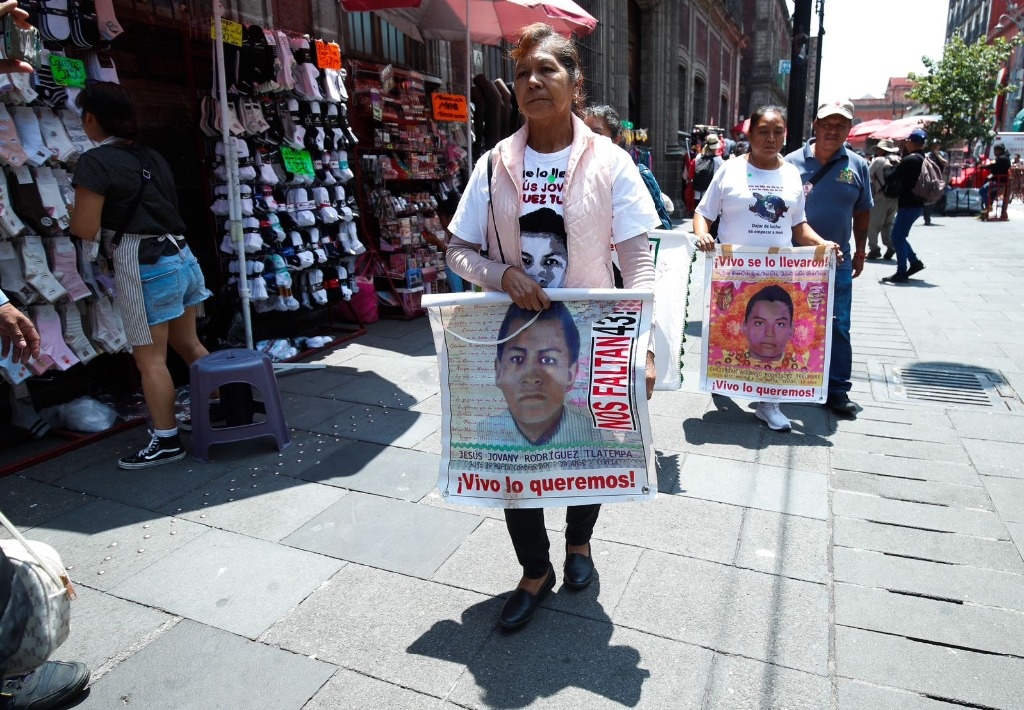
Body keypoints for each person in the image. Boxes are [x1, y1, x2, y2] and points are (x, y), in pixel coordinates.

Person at [446, 22, 660, 631]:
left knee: (585, 445)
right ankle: (534, 570)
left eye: (547, 69)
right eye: (522, 73)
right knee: (516, 455)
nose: (533, 82)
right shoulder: (493, 165)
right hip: (514, 339)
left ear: (574, 82)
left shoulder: (611, 163)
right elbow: (457, 250)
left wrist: (643, 345)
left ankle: (580, 544)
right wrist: (500, 274)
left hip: (592, 338)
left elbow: (639, 262)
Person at [70, 82, 212, 469]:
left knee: (150, 359)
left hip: (143, 260)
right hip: (180, 254)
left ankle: (166, 440)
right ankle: (222, 409)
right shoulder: (151, 155)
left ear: (91, 118)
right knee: (190, 345)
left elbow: (84, 228)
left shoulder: (95, 162)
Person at [693, 105, 841, 432]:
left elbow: (798, 226)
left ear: (785, 134)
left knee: (773, 329)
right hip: (734, 273)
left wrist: (823, 245)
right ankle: (730, 382)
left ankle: (769, 403)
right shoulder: (728, 170)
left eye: (778, 131)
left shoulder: (791, 174)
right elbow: (704, 213)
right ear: (750, 134)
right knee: (733, 331)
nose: (771, 138)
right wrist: (703, 234)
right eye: (763, 131)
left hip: (779, 271)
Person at [785, 98, 872, 417]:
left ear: (849, 129)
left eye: (840, 125)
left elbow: (863, 212)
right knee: (792, 320)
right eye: (827, 124)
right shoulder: (790, 163)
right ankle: (790, 380)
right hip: (794, 262)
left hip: (838, 262)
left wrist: (861, 250)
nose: (832, 130)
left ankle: (836, 390)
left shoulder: (858, 165)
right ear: (815, 126)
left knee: (838, 325)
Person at [477, 302, 601, 446]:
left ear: (571, 374)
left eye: (548, 359)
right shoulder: (483, 433)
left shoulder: (592, 433)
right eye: (517, 359)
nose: (530, 377)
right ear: (498, 371)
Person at [583, 105, 673, 229]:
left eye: (597, 133)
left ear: (616, 139)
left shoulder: (638, 176)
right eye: (584, 132)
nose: (588, 137)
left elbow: (660, 229)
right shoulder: (571, 174)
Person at [880, 128, 929, 283]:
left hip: (908, 205)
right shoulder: (923, 158)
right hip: (918, 204)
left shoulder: (910, 160)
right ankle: (914, 262)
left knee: (897, 237)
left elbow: (890, 177)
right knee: (899, 235)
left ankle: (901, 272)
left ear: (909, 142)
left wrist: (889, 165)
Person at [866, 139, 900, 260]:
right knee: (888, 224)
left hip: (880, 198)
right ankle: (891, 246)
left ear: (881, 150)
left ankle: (874, 249)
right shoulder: (897, 160)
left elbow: (867, 174)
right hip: (895, 199)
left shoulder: (879, 160)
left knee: (873, 225)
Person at [742, 285, 794, 362]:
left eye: (780, 324)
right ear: (744, 327)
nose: (769, 333)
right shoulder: (722, 368)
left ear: (791, 330)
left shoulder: (805, 372)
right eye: (759, 323)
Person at [978, 143, 1011, 218]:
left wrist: (981, 166)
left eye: (995, 150)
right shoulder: (1005, 158)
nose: (994, 152)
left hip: (997, 181)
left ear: (999, 150)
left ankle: (988, 206)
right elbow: (994, 171)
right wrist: (988, 177)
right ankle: (986, 211)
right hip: (998, 180)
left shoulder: (1000, 159)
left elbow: (991, 167)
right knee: (991, 196)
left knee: (982, 191)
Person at [691, 134, 725, 206]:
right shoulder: (719, 160)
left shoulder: (698, 157)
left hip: (698, 194)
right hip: (711, 195)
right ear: (716, 147)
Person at [922, 139, 949, 225]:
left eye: (937, 144)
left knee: (935, 197)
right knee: (928, 197)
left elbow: (945, 163)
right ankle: (927, 217)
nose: (935, 146)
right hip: (929, 179)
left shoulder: (943, 154)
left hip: (939, 179)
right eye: (934, 144)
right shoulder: (928, 155)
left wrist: (938, 155)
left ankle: (927, 214)